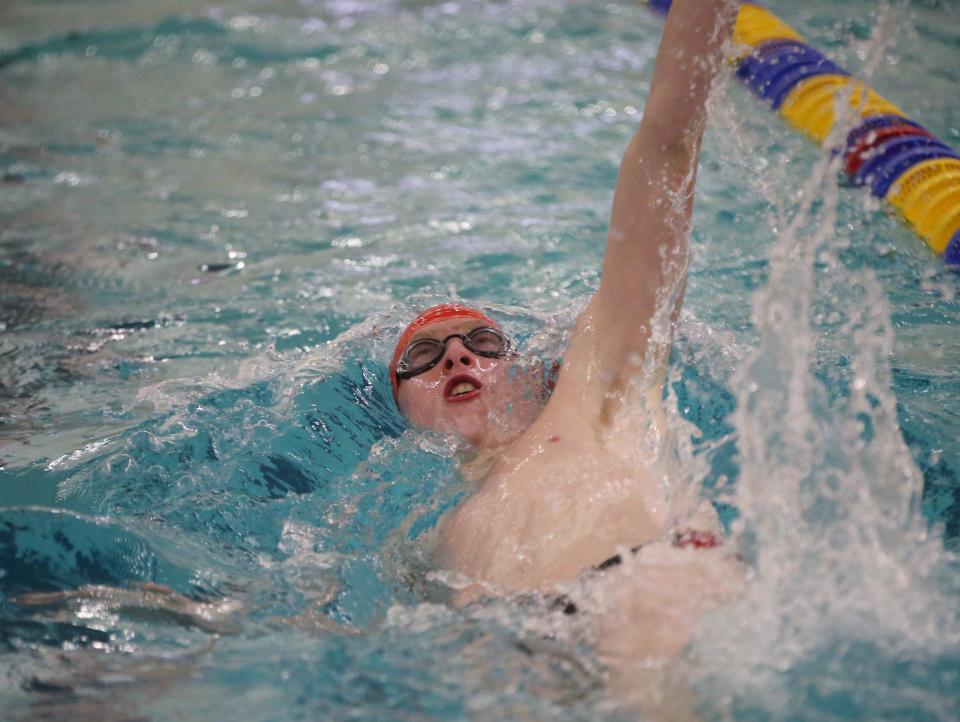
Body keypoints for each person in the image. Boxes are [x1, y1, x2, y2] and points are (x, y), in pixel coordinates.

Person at [389, 0, 746, 673]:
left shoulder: (594, 395)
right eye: (424, 358)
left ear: (529, 369)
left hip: (645, 587)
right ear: (403, 410)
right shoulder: (429, 542)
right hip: (516, 649)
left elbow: (666, 155)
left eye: (482, 344)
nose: (458, 354)